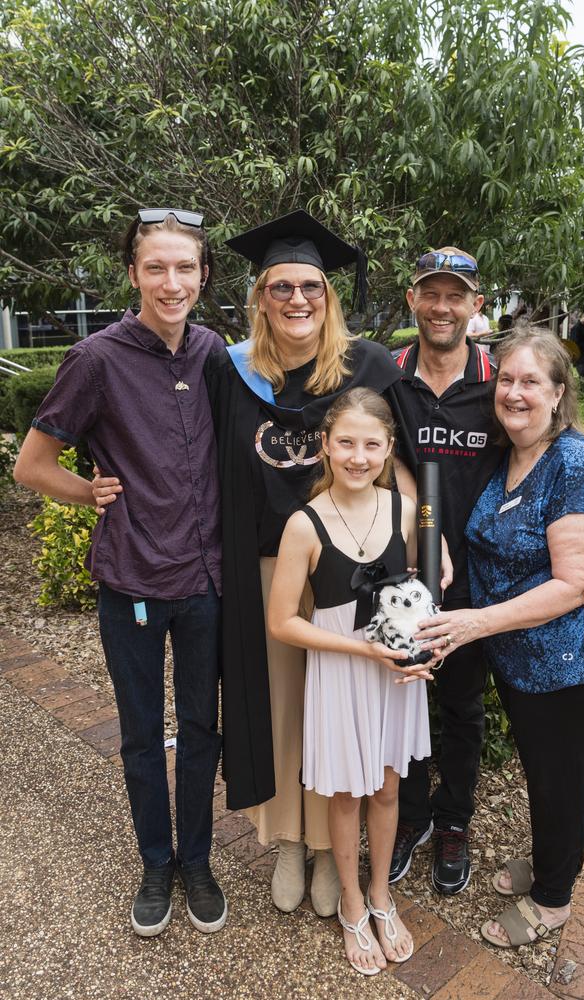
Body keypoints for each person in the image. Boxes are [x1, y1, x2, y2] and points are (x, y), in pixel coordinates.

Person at [385, 247, 584, 899]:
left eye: (457, 295)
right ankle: (410, 818)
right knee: (405, 701)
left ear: (476, 306)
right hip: (408, 576)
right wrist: (420, 519)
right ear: (412, 299)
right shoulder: (387, 374)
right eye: (430, 293)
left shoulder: (503, 378)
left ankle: (453, 823)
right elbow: (380, 450)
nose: (443, 306)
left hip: (483, 591)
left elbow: (577, 454)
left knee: (462, 709)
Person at [13, 209, 228, 937]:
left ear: (203, 275)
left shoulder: (212, 351)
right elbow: (32, 465)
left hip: (207, 582)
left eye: (186, 268)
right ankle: (155, 859)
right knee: (142, 735)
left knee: (201, 728)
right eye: (157, 268)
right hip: (133, 579)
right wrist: (89, 492)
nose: (173, 283)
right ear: (133, 274)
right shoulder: (96, 359)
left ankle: (196, 860)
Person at [203, 211, 412, 918]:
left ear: (330, 295)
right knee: (284, 713)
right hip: (264, 570)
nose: (298, 300)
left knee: (342, 716)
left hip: (353, 579)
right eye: (281, 287)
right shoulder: (229, 371)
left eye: (312, 288)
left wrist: (427, 544)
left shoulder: (371, 367)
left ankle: (331, 848)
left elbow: (412, 466)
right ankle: (289, 839)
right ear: (261, 296)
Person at [419, 328, 584, 947]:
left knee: (559, 775)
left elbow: (578, 584)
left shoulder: (574, 459)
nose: (514, 392)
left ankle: (553, 900)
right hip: (522, 655)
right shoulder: (509, 446)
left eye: (530, 381)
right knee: (543, 768)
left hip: (575, 657)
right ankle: (549, 865)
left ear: (558, 392)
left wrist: (474, 623)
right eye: (506, 380)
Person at [267, 387, 437, 976]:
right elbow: (282, 620)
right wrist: (361, 649)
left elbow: (420, 589)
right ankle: (352, 901)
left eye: (371, 444)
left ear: (389, 447)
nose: (358, 456)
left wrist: (424, 640)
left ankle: (383, 896)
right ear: (325, 447)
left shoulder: (402, 508)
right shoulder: (303, 525)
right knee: (346, 792)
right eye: (346, 443)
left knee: (388, 788)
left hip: (394, 675)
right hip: (343, 670)